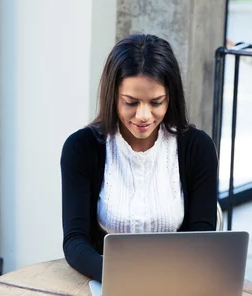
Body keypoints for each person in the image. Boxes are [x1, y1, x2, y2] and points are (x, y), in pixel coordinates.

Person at [60, 34, 218, 282]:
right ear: (113, 96)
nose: (143, 115)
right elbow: (74, 241)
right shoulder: (81, 148)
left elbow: (203, 238)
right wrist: (124, 278)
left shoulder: (198, 148)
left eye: (156, 102)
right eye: (130, 102)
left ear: (171, 98)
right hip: (108, 282)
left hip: (177, 283)